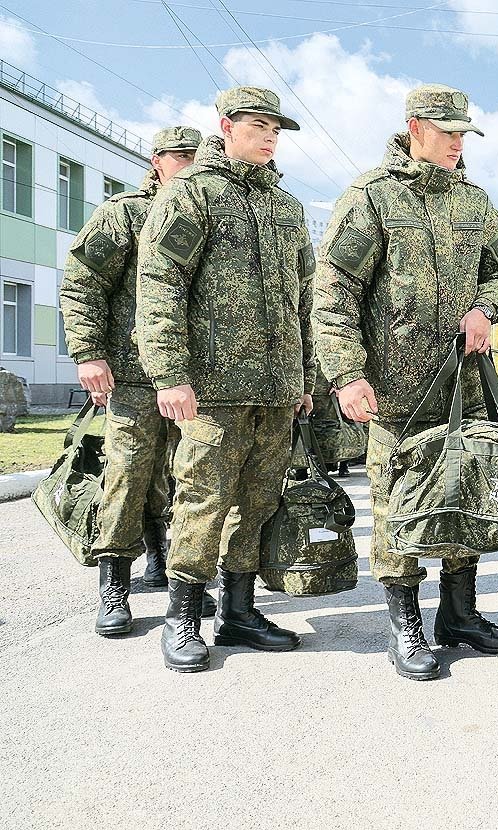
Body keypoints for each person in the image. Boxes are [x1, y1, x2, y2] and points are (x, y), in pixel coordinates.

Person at [313, 84, 498, 681]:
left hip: (462, 386)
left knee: (466, 496)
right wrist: (347, 375)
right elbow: (334, 295)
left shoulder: (474, 202)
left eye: (464, 133)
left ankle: (459, 615)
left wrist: (486, 307)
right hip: (394, 393)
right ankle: (405, 624)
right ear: (415, 127)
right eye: (448, 132)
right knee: (400, 505)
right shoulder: (371, 199)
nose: (459, 143)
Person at [136, 87, 316, 673]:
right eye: (258, 125)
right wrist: (169, 374)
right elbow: (161, 283)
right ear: (226, 126)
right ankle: (183, 617)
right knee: (202, 500)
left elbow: (305, 297)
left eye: (275, 129)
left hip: (276, 387)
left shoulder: (286, 206)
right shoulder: (195, 195)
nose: (268, 136)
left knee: (258, 502)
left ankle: (239, 610)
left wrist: (305, 375)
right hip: (212, 387)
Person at [60, 126, 217, 636]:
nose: (189, 165)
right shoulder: (125, 213)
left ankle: (169, 570)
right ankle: (114, 587)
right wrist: (88, 354)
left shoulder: (208, 207)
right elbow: (83, 280)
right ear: (157, 161)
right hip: (131, 375)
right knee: (129, 472)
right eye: (180, 157)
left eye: (197, 157)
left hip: (198, 376)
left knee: (185, 477)